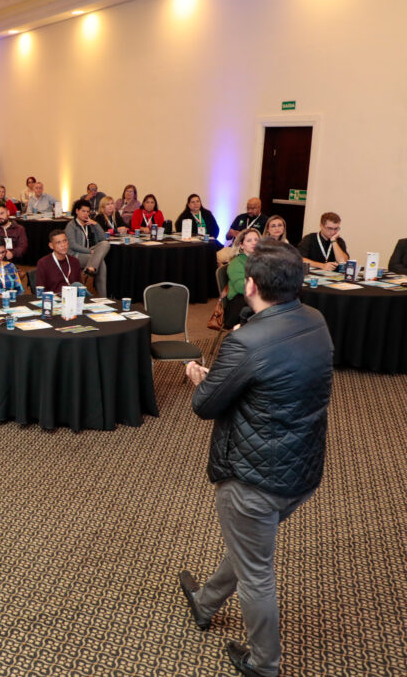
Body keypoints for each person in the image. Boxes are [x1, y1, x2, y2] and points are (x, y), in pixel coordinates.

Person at [180, 239, 333, 677]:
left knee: (257, 573)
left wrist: (200, 379)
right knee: (251, 545)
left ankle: (264, 664)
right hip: (300, 467)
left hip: (253, 475)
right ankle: (206, 600)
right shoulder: (315, 319)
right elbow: (279, 384)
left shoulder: (246, 342)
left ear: (249, 284)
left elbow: (205, 406)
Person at [65, 200, 110, 295]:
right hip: (76, 255)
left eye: (88, 211)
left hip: (90, 254)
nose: (86, 214)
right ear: (77, 211)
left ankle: (91, 268)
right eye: (83, 211)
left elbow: (103, 238)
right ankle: (103, 297)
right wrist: (90, 251)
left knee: (105, 244)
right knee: (101, 263)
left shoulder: (89, 224)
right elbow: (72, 245)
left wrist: (96, 224)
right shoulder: (71, 226)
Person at [222, 228, 261, 328]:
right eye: (249, 240)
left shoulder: (261, 260)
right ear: (241, 245)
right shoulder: (236, 263)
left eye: (256, 240)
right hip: (239, 305)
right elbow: (241, 287)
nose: (254, 243)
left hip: (256, 298)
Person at [35, 229, 83, 294]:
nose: (63, 245)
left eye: (65, 241)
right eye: (58, 242)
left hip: (73, 298)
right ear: (51, 245)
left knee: (78, 285)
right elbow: (40, 290)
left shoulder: (75, 261)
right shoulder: (43, 263)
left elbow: (80, 288)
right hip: (54, 299)